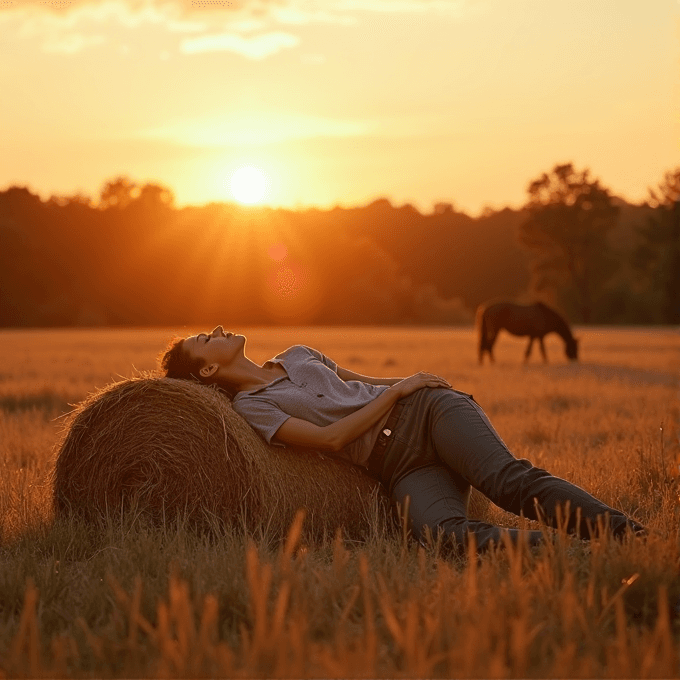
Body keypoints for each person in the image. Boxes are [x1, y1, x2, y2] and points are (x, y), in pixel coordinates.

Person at [160, 326, 645, 553]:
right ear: (207, 368)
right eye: (205, 338)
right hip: (399, 466)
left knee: (506, 481)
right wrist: (398, 389)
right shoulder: (253, 408)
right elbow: (330, 441)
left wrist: (405, 389)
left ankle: (627, 535)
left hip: (429, 413)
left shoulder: (298, 353)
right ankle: (575, 553)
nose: (217, 328)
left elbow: (362, 382)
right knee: (441, 534)